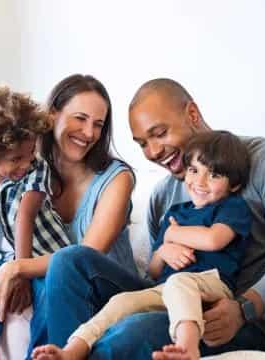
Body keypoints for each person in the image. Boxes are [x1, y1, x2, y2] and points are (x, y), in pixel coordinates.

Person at [37, 78, 265, 359]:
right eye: (142, 144)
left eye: (159, 133)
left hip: (232, 318)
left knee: (131, 333)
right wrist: (163, 251)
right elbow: (155, 277)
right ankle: (67, 352)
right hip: (171, 300)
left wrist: (245, 308)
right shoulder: (163, 196)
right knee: (69, 260)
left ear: (192, 114)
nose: (153, 152)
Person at [0, 74, 137, 359]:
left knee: (58, 274)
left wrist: (16, 268)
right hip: (53, 275)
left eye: (98, 124)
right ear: (51, 115)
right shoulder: (28, 167)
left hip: (105, 286)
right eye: (80, 118)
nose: (90, 133)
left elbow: (83, 258)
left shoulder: (116, 179)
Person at [32, 130, 252, 360]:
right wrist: (165, 248)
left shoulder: (231, 207)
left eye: (214, 175)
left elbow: (213, 240)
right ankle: (72, 350)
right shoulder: (175, 213)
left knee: (180, 281)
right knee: (122, 301)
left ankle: (188, 347)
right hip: (165, 289)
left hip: (212, 287)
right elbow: (154, 270)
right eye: (194, 170)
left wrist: (173, 234)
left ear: (234, 184)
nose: (200, 182)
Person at [0, 85, 72, 359]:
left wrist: (20, 272)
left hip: (44, 258)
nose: (26, 162)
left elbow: (24, 217)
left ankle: (41, 355)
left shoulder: (36, 169)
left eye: (30, 152)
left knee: (47, 297)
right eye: (15, 158)